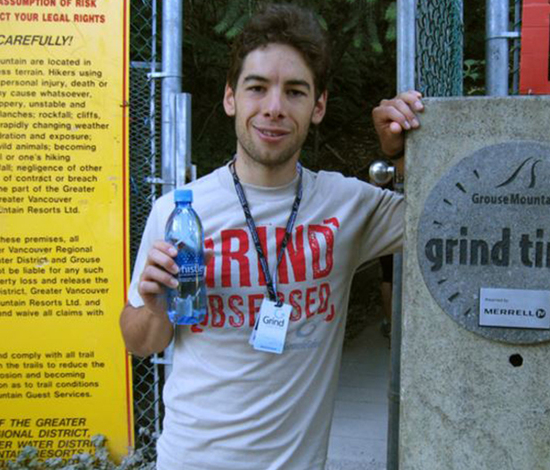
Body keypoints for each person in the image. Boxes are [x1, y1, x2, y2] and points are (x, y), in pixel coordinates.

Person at [119, 4, 422, 469]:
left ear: (318, 106)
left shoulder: (347, 205)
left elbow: (440, 215)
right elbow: (141, 342)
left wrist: (402, 151)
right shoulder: (181, 212)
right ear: (230, 99)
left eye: (295, 92)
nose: (274, 108)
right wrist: (154, 303)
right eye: (257, 87)